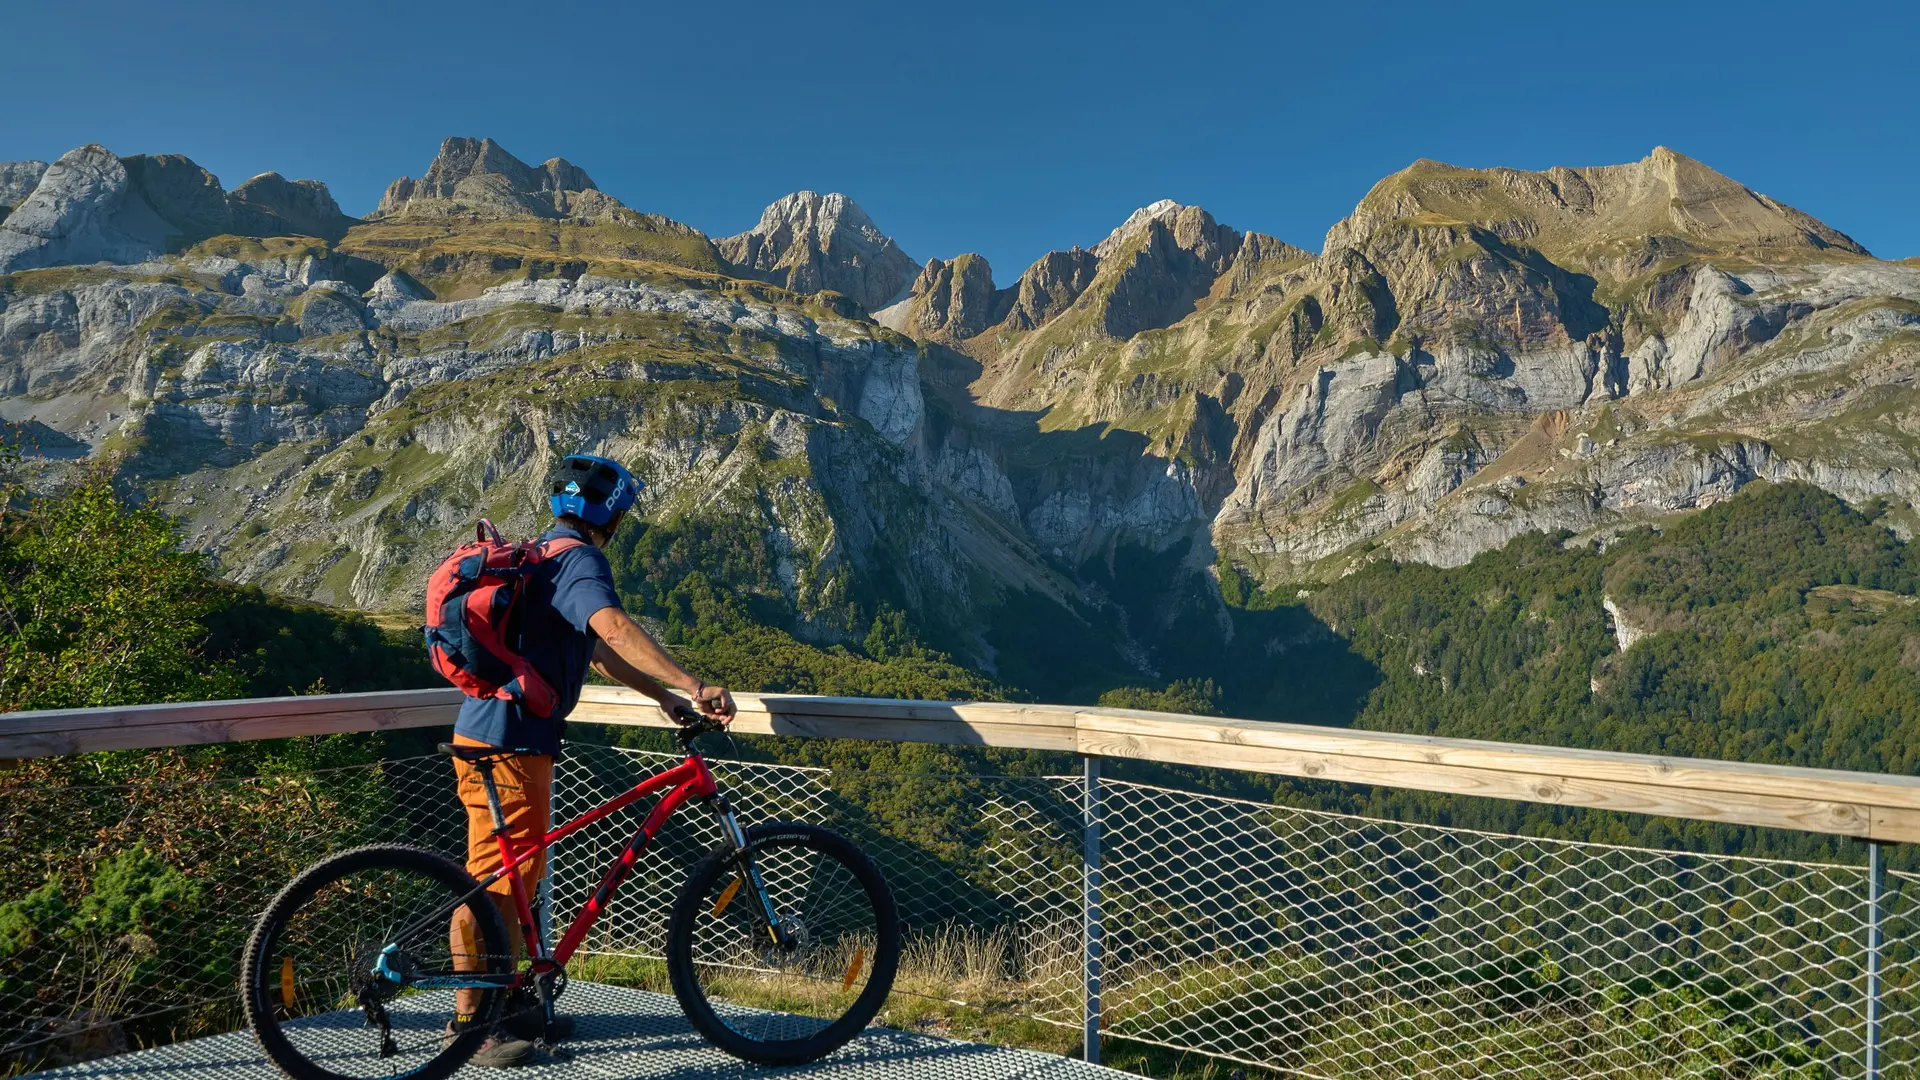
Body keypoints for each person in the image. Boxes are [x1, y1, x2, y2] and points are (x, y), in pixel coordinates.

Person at [445, 452, 736, 1068]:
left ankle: (513, 1001)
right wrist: (692, 684)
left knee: (517, 878)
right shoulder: (580, 560)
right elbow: (615, 627)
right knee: (498, 883)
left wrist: (661, 698)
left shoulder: (543, 557)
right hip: (512, 741)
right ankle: (471, 1023)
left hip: (497, 734)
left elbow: (597, 651)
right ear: (615, 516)